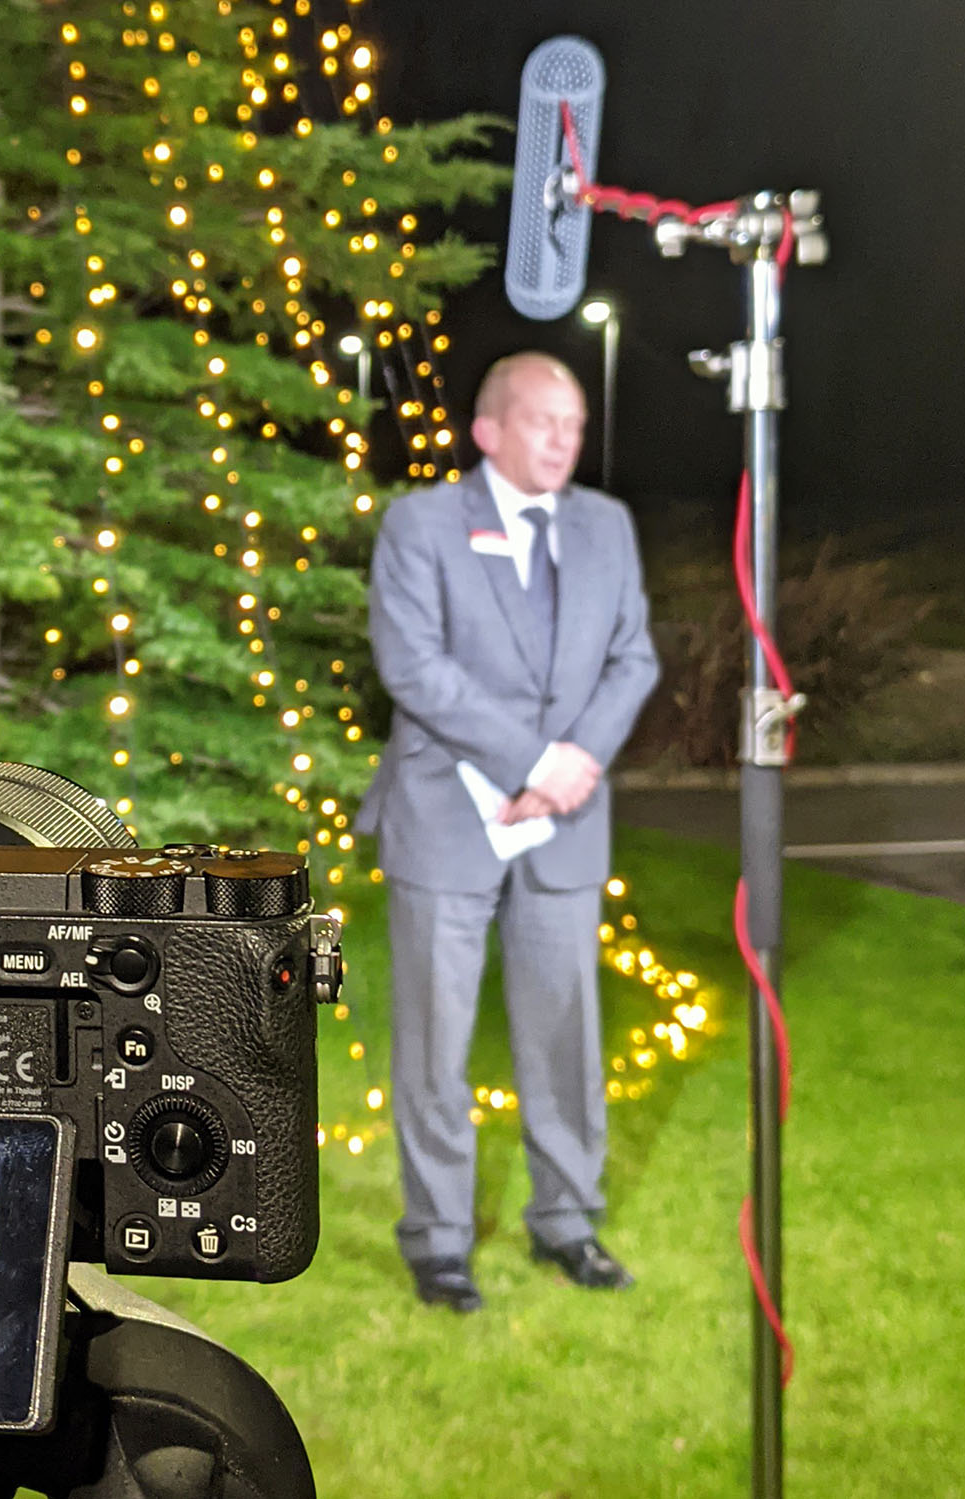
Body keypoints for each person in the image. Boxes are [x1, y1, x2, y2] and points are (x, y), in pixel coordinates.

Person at [357, 351, 659, 1313]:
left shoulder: (608, 526)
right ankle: (439, 1238)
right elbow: (414, 666)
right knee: (436, 1041)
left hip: (563, 826)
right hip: (449, 817)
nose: (564, 439)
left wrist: (568, 773)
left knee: (567, 1035)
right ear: (488, 430)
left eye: (573, 422)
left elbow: (633, 657)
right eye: (542, 420)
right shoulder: (420, 523)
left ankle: (567, 1220)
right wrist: (534, 760)